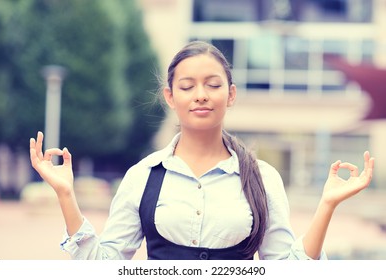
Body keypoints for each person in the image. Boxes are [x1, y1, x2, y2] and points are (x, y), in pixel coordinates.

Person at [30, 40, 375, 260]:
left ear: (231, 94)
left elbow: (287, 271)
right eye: (187, 86)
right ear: (170, 97)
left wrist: (327, 204)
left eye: (213, 84)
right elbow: (103, 267)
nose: (200, 95)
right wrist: (65, 195)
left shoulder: (262, 178)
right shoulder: (143, 177)